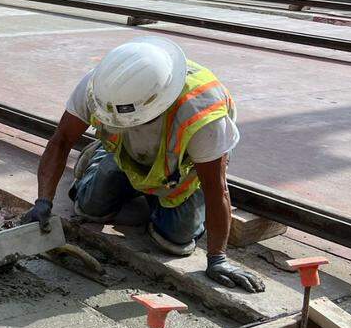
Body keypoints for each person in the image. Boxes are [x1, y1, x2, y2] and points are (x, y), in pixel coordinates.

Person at [23, 37, 266, 293]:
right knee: (89, 209)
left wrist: (218, 258)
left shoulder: (202, 115)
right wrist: (43, 202)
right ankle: (99, 158)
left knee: (175, 242)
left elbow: (216, 189)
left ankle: (157, 197)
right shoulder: (101, 88)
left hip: (181, 172)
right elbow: (61, 141)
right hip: (127, 155)